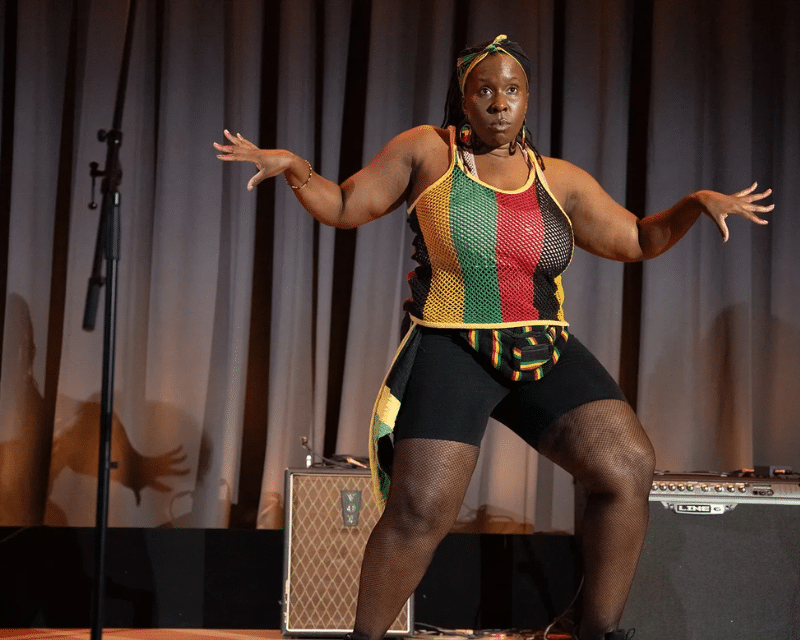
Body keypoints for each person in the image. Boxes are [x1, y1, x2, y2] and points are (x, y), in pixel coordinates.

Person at [214, 35, 772, 640]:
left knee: (625, 464)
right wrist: (297, 168)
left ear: (528, 100)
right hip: (453, 344)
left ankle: (598, 631)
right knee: (419, 511)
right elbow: (346, 204)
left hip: (543, 347)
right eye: (485, 90)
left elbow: (636, 240)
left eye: (512, 90)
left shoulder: (558, 178)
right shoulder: (427, 151)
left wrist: (694, 203)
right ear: (465, 98)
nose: (499, 103)